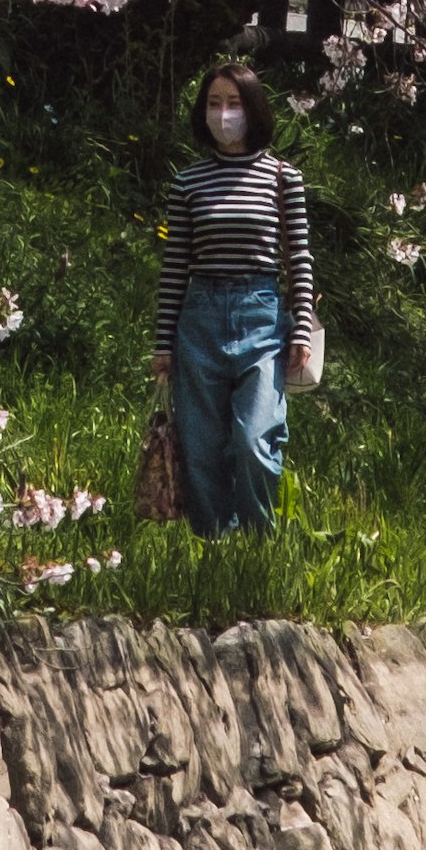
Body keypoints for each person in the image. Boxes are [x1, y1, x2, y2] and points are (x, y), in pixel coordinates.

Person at [151, 57, 325, 535]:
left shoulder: (282, 177)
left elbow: (300, 259)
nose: (223, 113)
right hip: (199, 318)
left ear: (253, 109)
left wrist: (302, 328)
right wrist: (164, 344)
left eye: (233, 102)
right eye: (213, 103)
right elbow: (173, 270)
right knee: (200, 445)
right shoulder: (188, 183)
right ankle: (212, 544)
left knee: (253, 438)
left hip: (262, 317)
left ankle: (257, 540)